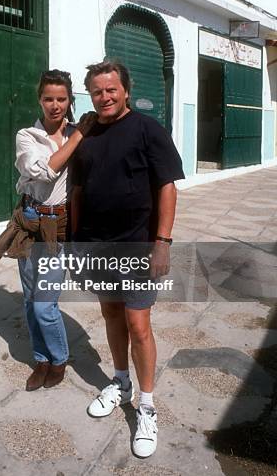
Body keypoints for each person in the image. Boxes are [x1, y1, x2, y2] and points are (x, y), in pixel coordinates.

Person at [71, 60, 184, 458]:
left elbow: (167, 187)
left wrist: (163, 241)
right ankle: (121, 382)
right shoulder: (86, 136)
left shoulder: (147, 129)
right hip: (97, 245)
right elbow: (78, 193)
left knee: (138, 325)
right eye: (97, 91)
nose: (105, 97)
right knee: (111, 316)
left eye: (111, 89)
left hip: (137, 245)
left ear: (126, 91)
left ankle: (148, 405)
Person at [15, 69, 96, 392]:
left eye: (61, 99)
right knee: (29, 299)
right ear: (40, 100)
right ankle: (41, 359)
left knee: (44, 304)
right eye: (48, 98)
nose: (55, 105)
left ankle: (59, 358)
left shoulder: (82, 133)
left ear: (70, 100)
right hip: (29, 223)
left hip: (58, 227)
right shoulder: (27, 136)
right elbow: (43, 172)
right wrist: (77, 137)